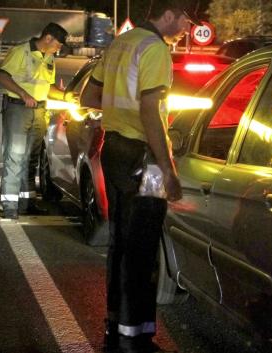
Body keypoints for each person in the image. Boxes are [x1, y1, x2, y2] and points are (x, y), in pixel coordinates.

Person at [80, 1, 194, 351]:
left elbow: (89, 94)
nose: (188, 28)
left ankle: (116, 326)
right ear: (171, 13)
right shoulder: (155, 49)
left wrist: (118, 110)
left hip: (113, 150)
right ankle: (136, 338)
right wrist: (169, 170)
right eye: (187, 20)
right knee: (142, 249)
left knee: (120, 243)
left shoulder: (122, 42)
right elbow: (150, 111)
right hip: (142, 158)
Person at [0, 22, 68, 219]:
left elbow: (48, 87)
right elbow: (2, 76)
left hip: (39, 112)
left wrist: (67, 96)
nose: (58, 48)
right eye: (58, 44)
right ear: (48, 38)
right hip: (18, 109)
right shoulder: (21, 51)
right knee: (15, 155)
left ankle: (27, 203)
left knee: (31, 159)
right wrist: (22, 94)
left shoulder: (50, 58)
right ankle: (10, 206)